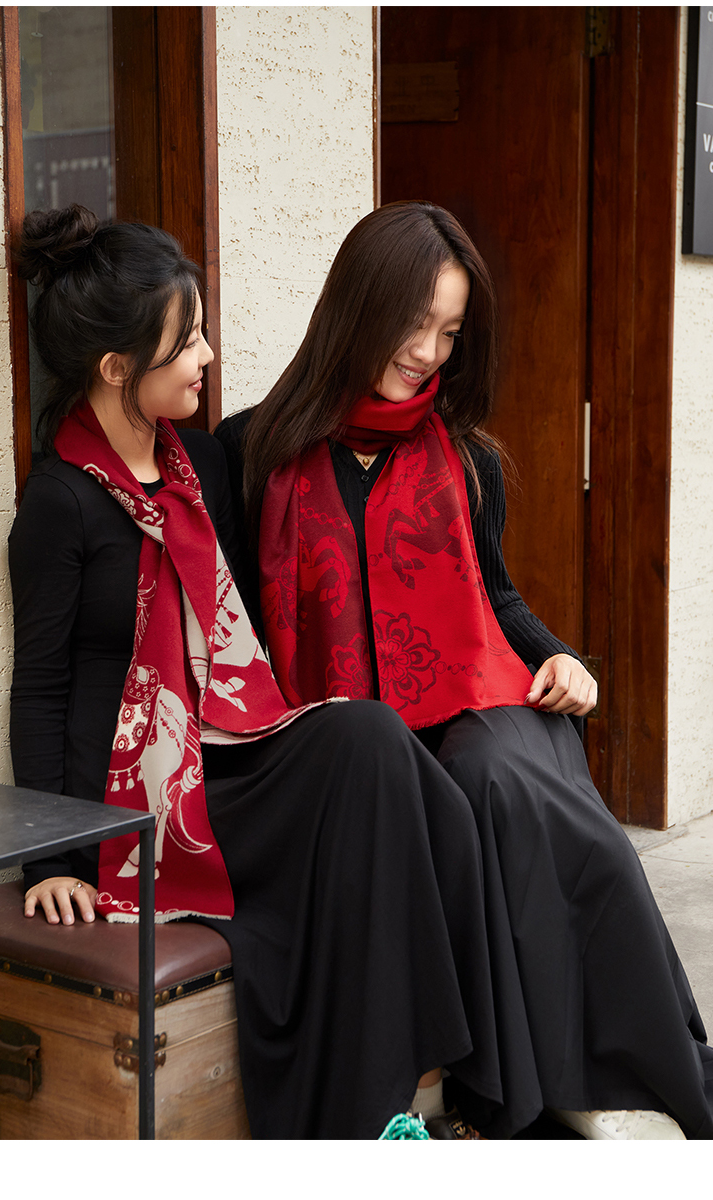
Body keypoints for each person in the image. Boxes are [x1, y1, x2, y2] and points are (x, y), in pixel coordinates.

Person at [8, 203, 529, 1140]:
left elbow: (250, 622)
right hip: (137, 802)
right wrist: (51, 857)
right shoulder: (60, 503)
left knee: (371, 743)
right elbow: (41, 688)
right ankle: (398, 1108)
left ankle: (426, 1088)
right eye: (186, 343)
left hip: (225, 753)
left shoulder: (204, 464)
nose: (208, 357)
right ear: (118, 367)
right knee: (380, 800)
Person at [215, 200, 713, 1141]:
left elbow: (500, 596)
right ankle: (506, 1094)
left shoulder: (466, 458)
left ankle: (655, 1074)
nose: (430, 353)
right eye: (417, 324)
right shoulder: (252, 452)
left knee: (530, 801)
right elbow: (229, 634)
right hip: (343, 739)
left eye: (449, 332)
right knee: (452, 795)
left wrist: (560, 655)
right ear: (359, 308)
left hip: (467, 698)